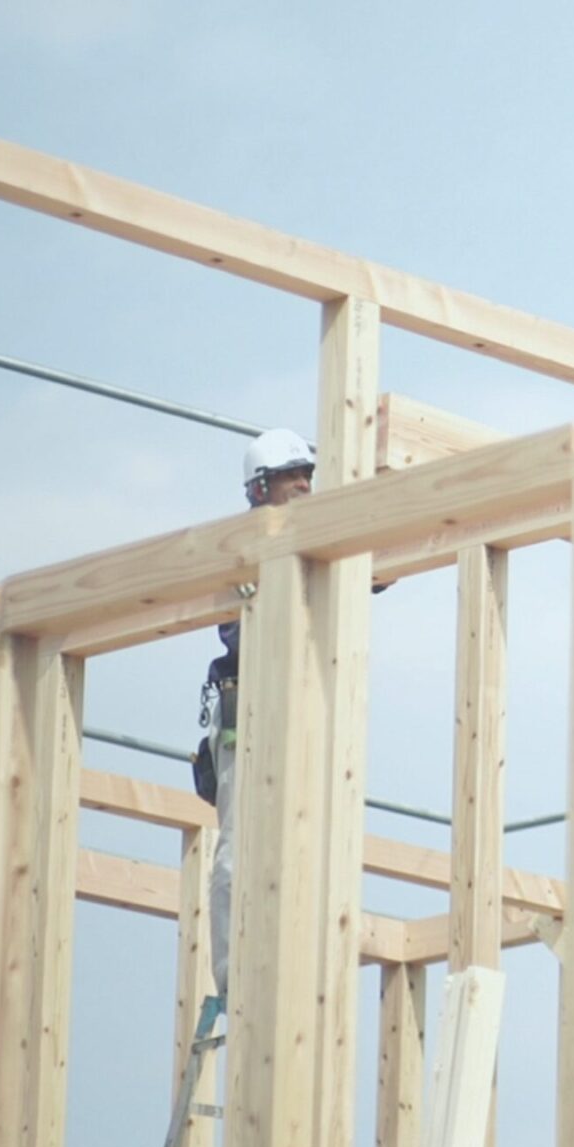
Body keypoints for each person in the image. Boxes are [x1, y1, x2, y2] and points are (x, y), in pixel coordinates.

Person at [196, 428, 320, 1005]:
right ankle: (234, 979)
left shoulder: (314, 546)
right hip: (247, 713)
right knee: (237, 852)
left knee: (303, 847)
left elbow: (376, 571)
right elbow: (243, 631)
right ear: (259, 487)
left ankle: (294, 973)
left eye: (309, 474)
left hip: (300, 715)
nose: (305, 483)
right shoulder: (241, 548)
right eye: (293, 475)